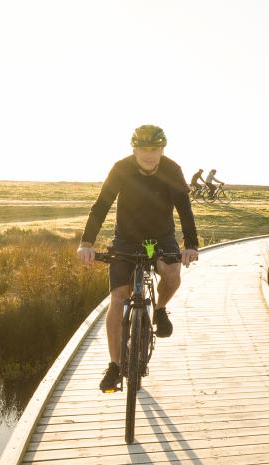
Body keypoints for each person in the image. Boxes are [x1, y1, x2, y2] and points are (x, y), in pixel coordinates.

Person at [75, 124, 202, 393]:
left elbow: (184, 209)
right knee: (118, 296)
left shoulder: (172, 170)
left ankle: (158, 309)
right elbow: (101, 206)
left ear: (161, 150)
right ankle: (114, 366)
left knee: (172, 275)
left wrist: (191, 245)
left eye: (154, 149)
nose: (149, 155)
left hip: (162, 238)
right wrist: (86, 243)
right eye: (143, 149)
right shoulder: (121, 168)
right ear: (134, 149)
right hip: (127, 239)